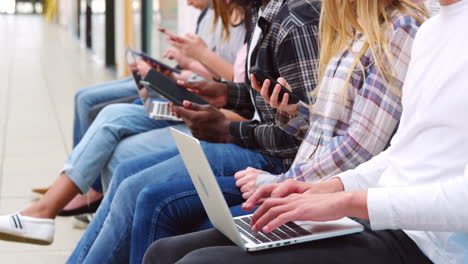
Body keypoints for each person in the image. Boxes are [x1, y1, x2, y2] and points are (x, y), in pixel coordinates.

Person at [144, 0, 468, 263]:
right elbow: (401, 154)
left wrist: (344, 201)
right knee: (164, 252)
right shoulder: (431, 33)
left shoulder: (406, 30)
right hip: (378, 213)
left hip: (425, 244)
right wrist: (330, 188)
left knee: (198, 258)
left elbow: (459, 202)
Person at [66, 0, 321, 263]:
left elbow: (306, 135)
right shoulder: (263, 10)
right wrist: (226, 94)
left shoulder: (294, 21)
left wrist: (229, 131)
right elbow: (273, 101)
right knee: (126, 173)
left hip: (275, 159)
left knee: (140, 191)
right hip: (258, 143)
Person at [0, 0, 248, 245]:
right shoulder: (218, 18)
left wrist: (194, 62)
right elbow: (226, 83)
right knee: (109, 114)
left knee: (117, 142)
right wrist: (175, 74)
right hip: (199, 100)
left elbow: (242, 95)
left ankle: (74, 208)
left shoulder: (256, 23)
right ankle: (63, 205)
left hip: (213, 113)